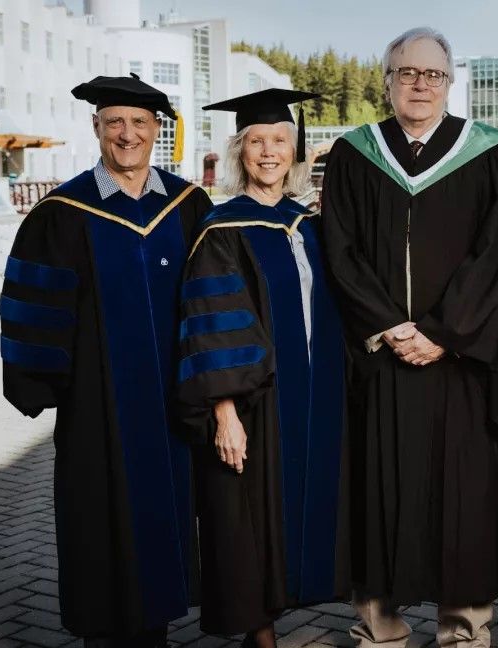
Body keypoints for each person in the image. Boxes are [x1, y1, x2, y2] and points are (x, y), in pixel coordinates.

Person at [320, 26, 498, 648]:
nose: (419, 84)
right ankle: (379, 630)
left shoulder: (492, 153)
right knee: (376, 492)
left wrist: (442, 333)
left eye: (432, 74)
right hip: (381, 360)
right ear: (386, 81)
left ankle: (464, 632)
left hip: (459, 363)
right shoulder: (355, 152)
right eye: (406, 73)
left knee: (462, 500)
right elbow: (341, 249)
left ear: (450, 80)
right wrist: (389, 326)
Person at [0, 75, 212, 647]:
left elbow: (218, 297)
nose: (127, 134)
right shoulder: (62, 213)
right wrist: (40, 382)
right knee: (98, 522)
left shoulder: (189, 206)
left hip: (173, 405)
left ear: (156, 130)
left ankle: (157, 631)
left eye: (140, 123)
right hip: (97, 406)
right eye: (115, 122)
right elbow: (32, 305)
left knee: (163, 520)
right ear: (96, 128)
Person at [176, 88, 350, 648]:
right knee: (247, 518)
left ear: (295, 152)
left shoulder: (313, 225)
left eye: (280, 141)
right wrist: (224, 413)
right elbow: (210, 322)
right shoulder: (221, 229)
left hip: (316, 397)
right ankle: (261, 634)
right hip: (256, 403)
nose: (269, 151)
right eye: (256, 141)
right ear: (239, 151)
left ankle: (299, 595)